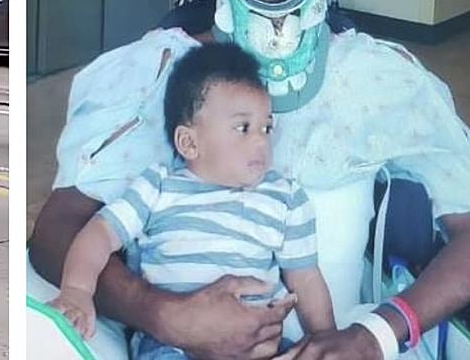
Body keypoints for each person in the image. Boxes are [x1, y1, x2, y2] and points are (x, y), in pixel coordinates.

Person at [29, 0, 470, 360]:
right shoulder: (151, 69)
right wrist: (165, 314)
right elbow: (55, 231)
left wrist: (374, 335)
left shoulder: (383, 78)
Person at [49, 43, 335, 359]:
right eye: (243, 128)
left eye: (267, 127)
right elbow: (100, 234)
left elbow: (306, 278)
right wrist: (77, 291)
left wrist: (327, 339)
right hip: (173, 346)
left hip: (259, 345)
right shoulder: (158, 187)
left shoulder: (285, 197)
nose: (261, 140)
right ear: (189, 142)